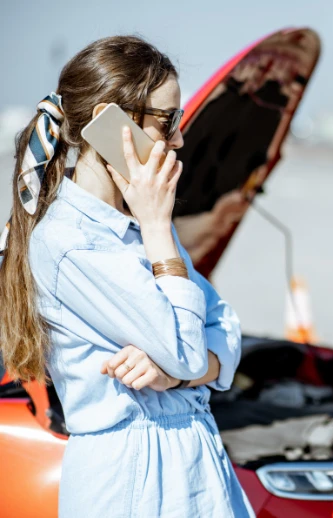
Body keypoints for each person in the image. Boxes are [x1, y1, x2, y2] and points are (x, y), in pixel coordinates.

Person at [0, 36, 254, 517]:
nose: (178, 139)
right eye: (167, 121)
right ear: (108, 123)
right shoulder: (70, 243)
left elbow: (226, 327)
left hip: (192, 465)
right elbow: (187, 348)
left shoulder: (139, 222)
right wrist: (160, 229)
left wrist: (178, 377)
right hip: (136, 480)